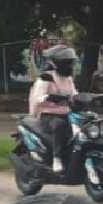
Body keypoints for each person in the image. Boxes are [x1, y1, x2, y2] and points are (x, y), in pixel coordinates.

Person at [28, 45, 78, 173]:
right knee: (59, 125)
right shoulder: (45, 78)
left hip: (67, 114)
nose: (70, 66)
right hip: (48, 116)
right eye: (66, 63)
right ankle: (57, 158)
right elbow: (37, 98)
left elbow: (74, 94)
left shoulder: (68, 79)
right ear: (56, 63)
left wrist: (82, 98)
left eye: (71, 63)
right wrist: (50, 97)